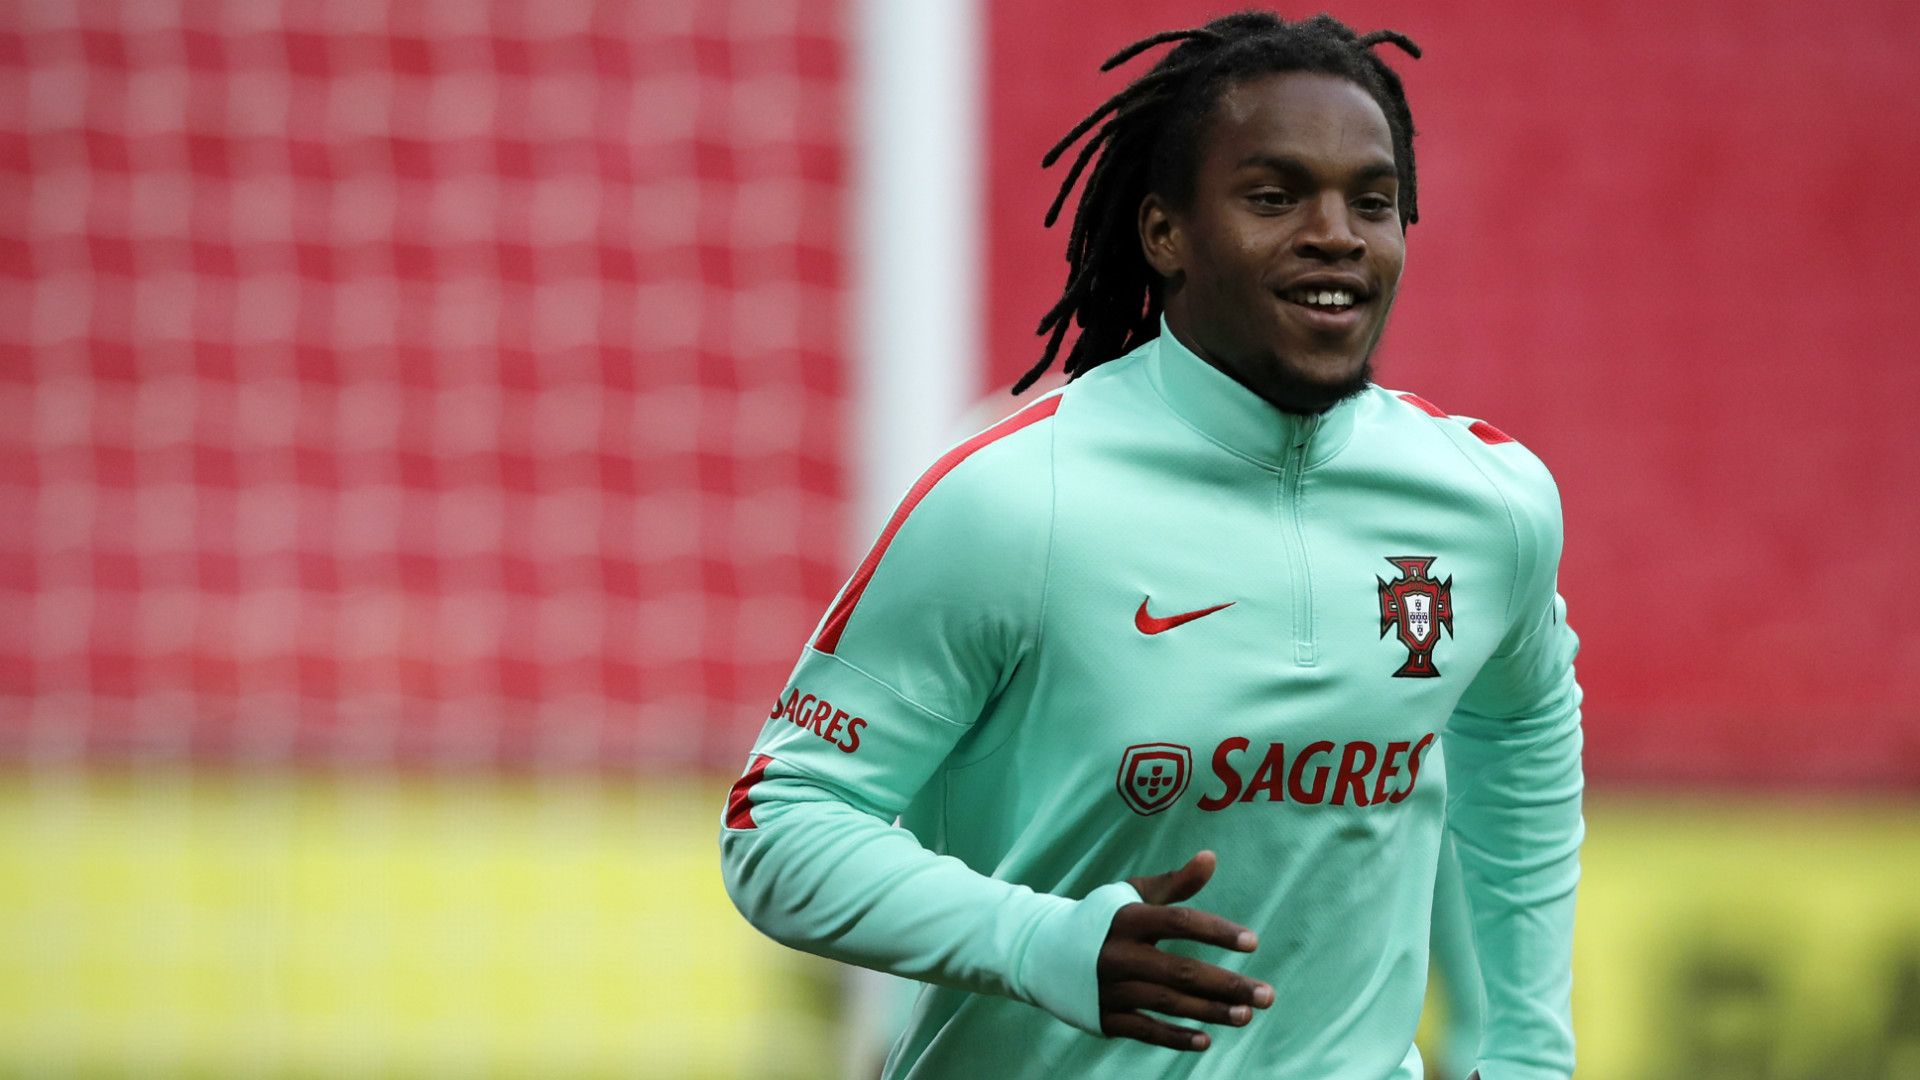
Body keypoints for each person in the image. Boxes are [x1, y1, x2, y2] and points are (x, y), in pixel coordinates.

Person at [719, 11, 1583, 1079]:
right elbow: (781, 824)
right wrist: (1039, 942)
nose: (1337, 234)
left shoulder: (1486, 503)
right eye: (1275, 196)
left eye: (1373, 201)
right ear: (1165, 232)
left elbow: (1522, 740)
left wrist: (1523, 1056)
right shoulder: (1012, 500)